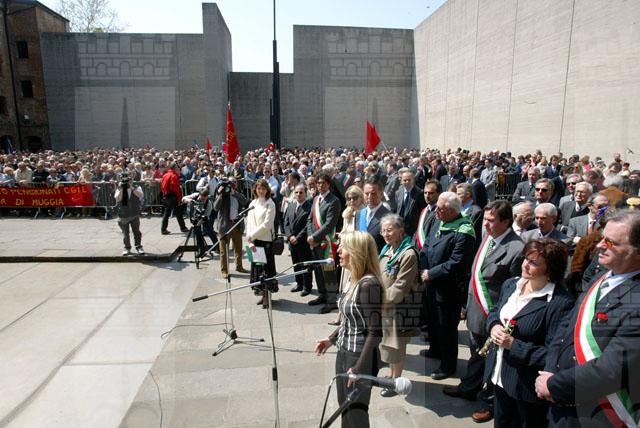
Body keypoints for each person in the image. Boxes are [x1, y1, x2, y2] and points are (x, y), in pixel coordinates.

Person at [536, 210, 640, 427]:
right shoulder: (603, 275)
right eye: (603, 238)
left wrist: (554, 385)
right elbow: (567, 325)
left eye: (611, 242)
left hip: (598, 413)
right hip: (561, 399)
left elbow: (611, 370)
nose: (600, 245)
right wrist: (551, 368)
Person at [443, 200, 524, 423]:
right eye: (485, 219)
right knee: (476, 353)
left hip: (494, 316)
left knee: (492, 360)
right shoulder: (488, 238)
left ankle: (488, 402)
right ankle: (469, 387)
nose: (485, 224)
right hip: (475, 310)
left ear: (506, 222)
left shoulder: (517, 249)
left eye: (491, 220)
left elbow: (515, 289)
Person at [485, 239, 574, 427]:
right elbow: (495, 311)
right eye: (526, 258)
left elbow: (554, 354)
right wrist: (493, 325)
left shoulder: (560, 303)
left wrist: (513, 345)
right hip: (499, 376)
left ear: (550, 269)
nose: (525, 264)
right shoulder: (511, 284)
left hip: (526, 389)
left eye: (534, 263)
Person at [314, 231, 383, 428]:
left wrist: (359, 368)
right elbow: (349, 319)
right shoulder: (353, 278)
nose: (338, 251)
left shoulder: (368, 285)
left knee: (356, 412)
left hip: (358, 356)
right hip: (344, 351)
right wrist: (331, 339)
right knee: (344, 406)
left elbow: (375, 332)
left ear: (356, 252)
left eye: (343, 247)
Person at [419, 192, 476, 380]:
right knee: (433, 320)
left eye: (440, 209)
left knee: (446, 326)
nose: (436, 211)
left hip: (448, 287)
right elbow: (426, 247)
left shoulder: (464, 230)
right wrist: (424, 269)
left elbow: (457, 261)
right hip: (430, 282)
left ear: (452, 211)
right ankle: (435, 349)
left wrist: (432, 273)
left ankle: (448, 364)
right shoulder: (439, 221)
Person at [378, 214, 420, 397]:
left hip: (398, 308)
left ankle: (396, 382)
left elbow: (401, 285)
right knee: (387, 344)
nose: (385, 234)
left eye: (389, 230)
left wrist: (381, 301)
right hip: (385, 306)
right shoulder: (387, 249)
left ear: (400, 231)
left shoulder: (408, 253)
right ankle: (391, 375)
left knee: (397, 345)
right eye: (383, 230)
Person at [306, 173, 341, 313]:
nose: (320, 185)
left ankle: (331, 301)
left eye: (323, 183)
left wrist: (314, 237)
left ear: (328, 184)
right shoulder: (316, 199)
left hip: (326, 244)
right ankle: (322, 294)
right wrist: (310, 236)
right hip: (314, 242)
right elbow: (310, 219)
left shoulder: (334, 201)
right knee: (318, 271)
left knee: (328, 273)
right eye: (318, 183)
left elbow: (330, 223)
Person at [246, 178, 277, 308]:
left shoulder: (270, 204)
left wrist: (252, 235)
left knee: (266, 270)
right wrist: (249, 239)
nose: (261, 191)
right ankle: (262, 294)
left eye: (263, 188)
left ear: (267, 190)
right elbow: (249, 222)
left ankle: (267, 296)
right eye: (259, 188)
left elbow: (267, 224)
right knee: (258, 269)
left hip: (265, 241)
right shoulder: (252, 203)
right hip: (255, 241)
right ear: (255, 190)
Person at [213, 178, 249, 279]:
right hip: (225, 227)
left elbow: (245, 202)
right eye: (230, 182)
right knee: (224, 251)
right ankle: (224, 270)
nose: (232, 184)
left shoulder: (238, 194)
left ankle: (239, 266)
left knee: (238, 248)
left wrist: (235, 193)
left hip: (237, 225)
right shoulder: (222, 195)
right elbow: (215, 207)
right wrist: (220, 195)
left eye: (234, 182)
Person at [284, 183, 313, 295]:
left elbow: (308, 225)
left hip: (303, 241)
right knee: (296, 264)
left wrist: (297, 237)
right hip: (292, 241)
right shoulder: (291, 205)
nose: (298, 194)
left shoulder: (309, 207)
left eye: (301, 192)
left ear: (306, 193)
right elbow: (286, 222)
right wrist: (289, 236)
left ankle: (307, 286)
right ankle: (299, 284)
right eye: (296, 192)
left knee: (305, 264)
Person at [354, 176, 390, 252]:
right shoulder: (358, 214)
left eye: (373, 193)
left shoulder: (388, 217)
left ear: (381, 194)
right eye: (366, 194)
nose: (369, 197)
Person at [114, 174, 145, 256]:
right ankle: (127, 248)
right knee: (125, 233)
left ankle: (138, 246)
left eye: (129, 180)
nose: (128, 182)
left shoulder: (137, 187)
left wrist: (131, 187)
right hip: (123, 214)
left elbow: (140, 195)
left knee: (137, 232)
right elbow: (117, 199)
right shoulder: (119, 188)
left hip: (134, 213)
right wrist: (122, 189)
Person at [393, 168, 427, 237]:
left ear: (413, 180)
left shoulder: (420, 193)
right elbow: (396, 209)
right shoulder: (398, 193)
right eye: (405, 180)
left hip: (413, 230)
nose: (407, 182)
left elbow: (422, 212)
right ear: (401, 181)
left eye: (409, 180)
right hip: (400, 228)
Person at [182, 189, 214, 258]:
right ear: (199, 195)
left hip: (203, 217)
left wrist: (199, 222)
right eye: (201, 198)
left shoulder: (209, 204)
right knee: (198, 235)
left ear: (207, 197)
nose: (202, 200)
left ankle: (217, 247)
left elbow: (206, 216)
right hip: (194, 217)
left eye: (204, 199)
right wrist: (188, 200)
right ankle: (201, 251)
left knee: (210, 231)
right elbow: (183, 199)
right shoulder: (195, 196)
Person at [161, 162, 188, 235]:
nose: (178, 168)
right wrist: (179, 199)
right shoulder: (174, 176)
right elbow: (176, 189)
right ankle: (183, 228)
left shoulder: (165, 175)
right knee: (178, 213)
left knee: (167, 213)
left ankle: (163, 229)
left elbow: (162, 186)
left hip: (166, 196)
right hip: (173, 196)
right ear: (174, 168)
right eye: (177, 167)